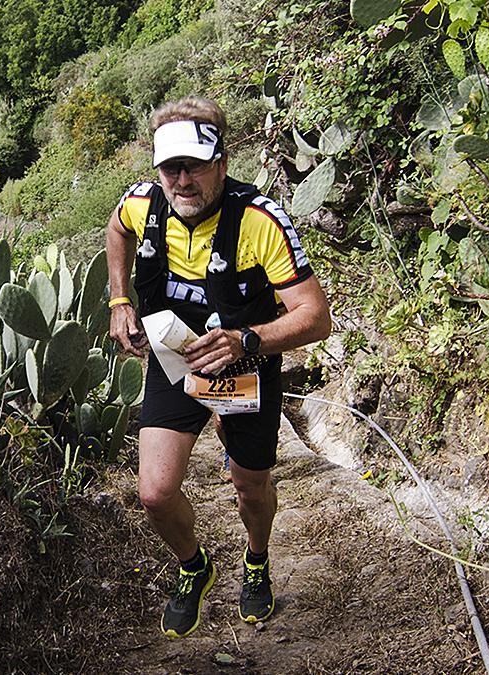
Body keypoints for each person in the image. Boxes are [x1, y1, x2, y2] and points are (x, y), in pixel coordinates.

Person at [104, 96, 332, 638]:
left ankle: (256, 558)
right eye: (170, 167)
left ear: (221, 163)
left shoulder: (259, 221)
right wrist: (119, 299)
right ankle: (194, 565)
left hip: (245, 364)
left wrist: (247, 339)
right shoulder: (143, 203)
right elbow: (116, 228)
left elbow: (316, 317)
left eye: (195, 166)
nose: (182, 180)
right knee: (155, 493)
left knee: (249, 484)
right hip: (174, 357)